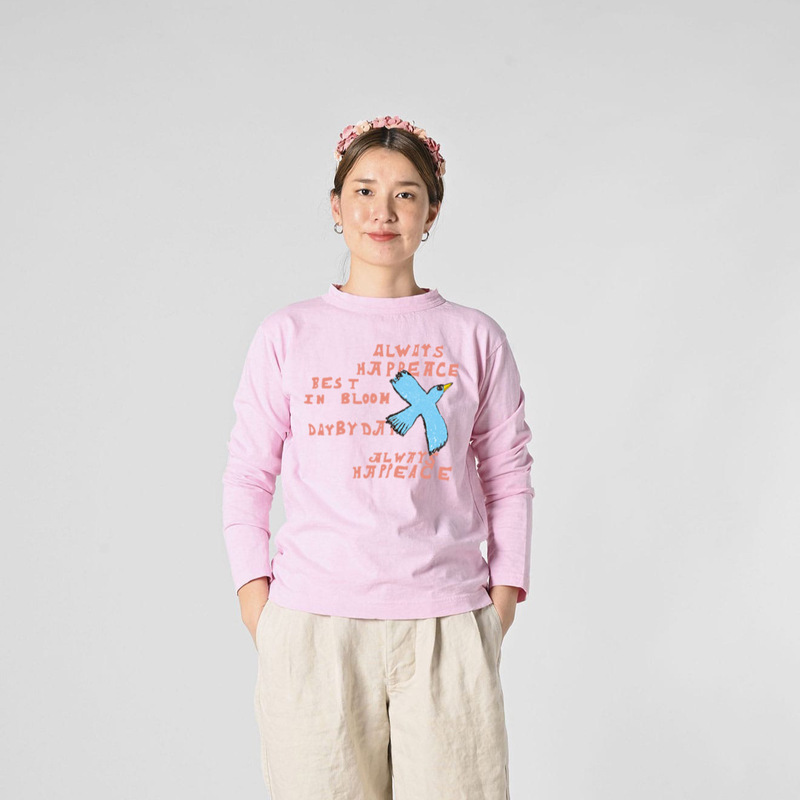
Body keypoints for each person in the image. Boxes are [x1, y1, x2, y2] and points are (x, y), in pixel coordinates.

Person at [222, 115, 534, 799]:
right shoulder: (288, 334)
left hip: (446, 624)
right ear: (336, 206)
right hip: (313, 626)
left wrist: (503, 597)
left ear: (432, 211)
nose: (382, 212)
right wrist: (256, 602)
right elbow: (249, 473)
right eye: (363, 191)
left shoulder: (473, 336)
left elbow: (508, 473)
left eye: (405, 194)